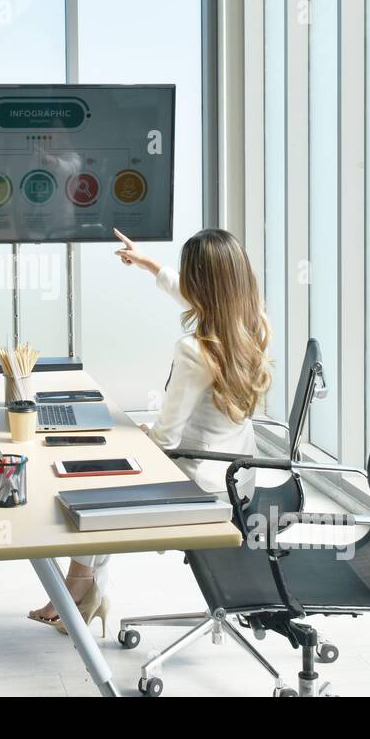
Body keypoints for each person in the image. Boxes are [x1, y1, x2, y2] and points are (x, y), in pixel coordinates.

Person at [27, 227, 272, 634]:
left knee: (93, 482)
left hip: (198, 483)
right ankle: (83, 588)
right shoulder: (251, 325)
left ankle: (78, 589)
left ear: (200, 287)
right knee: (103, 468)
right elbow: (197, 298)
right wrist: (149, 265)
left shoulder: (195, 351)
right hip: (237, 478)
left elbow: (166, 440)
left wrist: (134, 432)